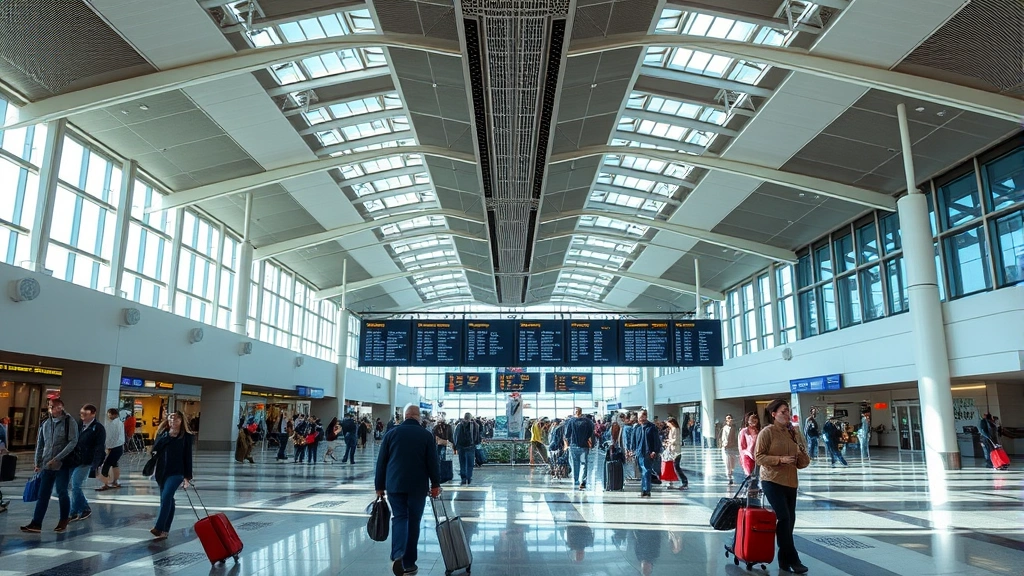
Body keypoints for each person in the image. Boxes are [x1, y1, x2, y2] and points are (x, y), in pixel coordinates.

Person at [375, 404, 441, 576]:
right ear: (418, 417)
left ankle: (398, 553)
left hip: (395, 485)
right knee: (413, 522)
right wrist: (435, 484)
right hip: (417, 487)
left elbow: (381, 462)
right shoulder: (426, 435)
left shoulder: (391, 434)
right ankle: (409, 563)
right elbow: (432, 463)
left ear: (405, 416)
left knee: (399, 518)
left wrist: (379, 487)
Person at [755, 398, 811, 574]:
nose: (787, 415)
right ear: (774, 414)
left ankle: (783, 560)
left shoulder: (793, 432)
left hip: (790, 481)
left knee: (790, 521)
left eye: (788, 411)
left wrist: (801, 454)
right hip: (771, 480)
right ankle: (793, 558)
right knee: (784, 517)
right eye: (783, 412)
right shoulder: (767, 432)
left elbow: (803, 461)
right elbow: (759, 457)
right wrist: (779, 459)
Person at [21, 398, 79, 533]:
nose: (50, 409)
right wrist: (37, 462)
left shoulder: (69, 422)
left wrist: (58, 458)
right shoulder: (46, 424)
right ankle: (36, 523)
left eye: (52, 406)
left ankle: (64, 519)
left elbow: (73, 441)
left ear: (60, 408)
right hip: (47, 465)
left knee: (62, 491)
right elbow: (40, 444)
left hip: (63, 464)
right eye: (49, 407)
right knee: (43, 494)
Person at [149, 411, 194, 540]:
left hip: (177, 472)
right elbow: (155, 450)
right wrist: (167, 436)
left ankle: (158, 527)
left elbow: (188, 457)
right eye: (170, 420)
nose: (173, 422)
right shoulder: (162, 434)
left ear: (181, 421)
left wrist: (187, 477)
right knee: (167, 500)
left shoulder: (186, 437)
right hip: (162, 472)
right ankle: (165, 531)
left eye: (176, 420)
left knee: (167, 496)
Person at [69, 404, 106, 522]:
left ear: (93, 414)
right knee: (73, 486)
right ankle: (79, 509)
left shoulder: (98, 428)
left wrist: (96, 463)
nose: (83, 416)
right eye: (81, 414)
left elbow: (99, 447)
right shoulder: (79, 425)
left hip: (86, 460)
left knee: (76, 485)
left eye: (86, 414)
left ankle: (77, 510)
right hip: (75, 459)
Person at [564, 407, 594, 491]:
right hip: (584, 445)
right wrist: (585, 438)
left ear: (574, 412)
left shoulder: (571, 421)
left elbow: (567, 434)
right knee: (584, 464)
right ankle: (583, 481)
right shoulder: (587, 421)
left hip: (574, 445)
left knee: (575, 464)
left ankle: (576, 480)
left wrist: (567, 443)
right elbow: (591, 432)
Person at [632, 410, 660, 498]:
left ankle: (646, 490)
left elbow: (656, 440)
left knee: (646, 470)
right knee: (642, 471)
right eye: (639, 416)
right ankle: (644, 489)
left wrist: (655, 451)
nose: (640, 418)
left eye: (642, 416)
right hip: (639, 452)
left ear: (645, 416)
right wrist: (631, 450)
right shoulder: (637, 427)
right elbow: (634, 440)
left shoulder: (652, 427)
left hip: (648, 452)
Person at [97, 408, 125, 491]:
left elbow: (112, 437)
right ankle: (115, 481)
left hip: (114, 447)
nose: (108, 416)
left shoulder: (113, 424)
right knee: (114, 464)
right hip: (119, 447)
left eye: (109, 414)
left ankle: (105, 483)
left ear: (114, 414)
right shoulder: (120, 423)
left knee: (106, 465)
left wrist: (108, 446)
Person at [453, 412, 480, 485]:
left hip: (461, 447)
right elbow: (477, 435)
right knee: (470, 463)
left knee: (462, 462)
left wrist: (455, 445)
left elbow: (455, 436)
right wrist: (476, 443)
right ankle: (469, 477)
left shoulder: (459, 425)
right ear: (470, 417)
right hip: (470, 446)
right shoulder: (474, 425)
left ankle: (463, 478)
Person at [662, 417, 687, 489]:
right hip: (671, 451)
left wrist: (668, 441)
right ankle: (671, 482)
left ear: (671, 423)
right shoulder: (671, 430)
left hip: (676, 451)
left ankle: (684, 482)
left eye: (668, 423)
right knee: (671, 467)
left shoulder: (676, 429)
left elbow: (675, 440)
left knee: (676, 467)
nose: (667, 424)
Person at [738, 411, 760, 477]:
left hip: (758, 458)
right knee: (749, 478)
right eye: (752, 419)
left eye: (755, 418)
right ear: (747, 420)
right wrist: (749, 454)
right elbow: (742, 447)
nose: (754, 420)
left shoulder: (759, 431)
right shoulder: (744, 431)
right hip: (747, 458)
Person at [720, 414, 740, 485]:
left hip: (734, 448)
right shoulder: (724, 428)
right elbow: (723, 438)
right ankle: (729, 477)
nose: (729, 420)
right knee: (727, 463)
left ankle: (733, 475)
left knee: (734, 464)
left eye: (730, 418)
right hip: (726, 448)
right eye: (727, 419)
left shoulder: (736, 428)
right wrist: (724, 445)